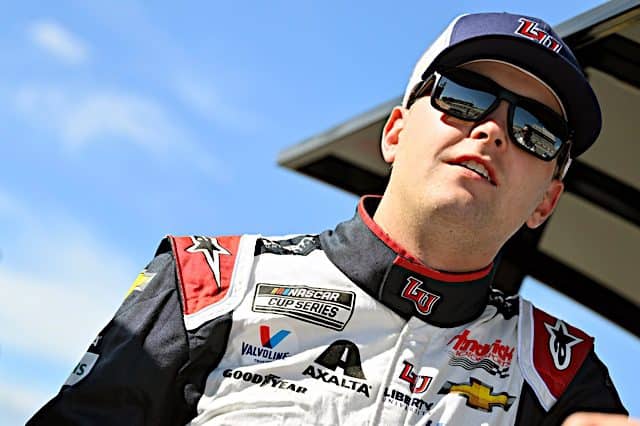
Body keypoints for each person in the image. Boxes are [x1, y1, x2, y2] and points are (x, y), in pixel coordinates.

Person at [28, 12, 633, 426]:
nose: (492, 129)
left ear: (547, 202)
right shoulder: (208, 281)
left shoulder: (559, 371)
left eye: (535, 132)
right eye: (464, 97)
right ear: (395, 133)